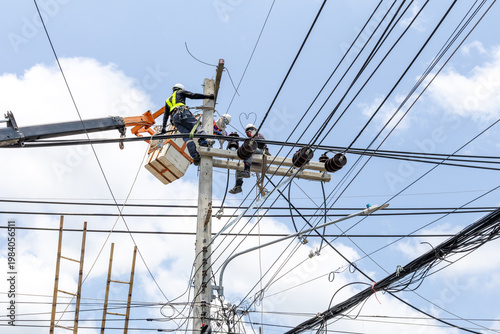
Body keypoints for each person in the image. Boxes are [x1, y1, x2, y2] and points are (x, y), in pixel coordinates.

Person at [161, 83, 214, 165]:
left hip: (175, 120)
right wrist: (208, 96)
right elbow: (193, 95)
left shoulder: (168, 100)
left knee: (187, 137)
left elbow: (165, 115)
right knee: (196, 125)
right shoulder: (180, 92)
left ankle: (194, 155)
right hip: (183, 113)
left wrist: (163, 127)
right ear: (180, 89)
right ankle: (202, 141)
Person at [229, 123, 270, 194]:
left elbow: (261, 144)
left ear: (254, 130)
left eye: (250, 129)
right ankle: (238, 186)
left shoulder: (258, 135)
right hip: (252, 159)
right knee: (239, 167)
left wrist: (252, 138)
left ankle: (247, 170)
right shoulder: (249, 140)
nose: (249, 131)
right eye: (247, 130)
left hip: (261, 153)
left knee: (249, 149)